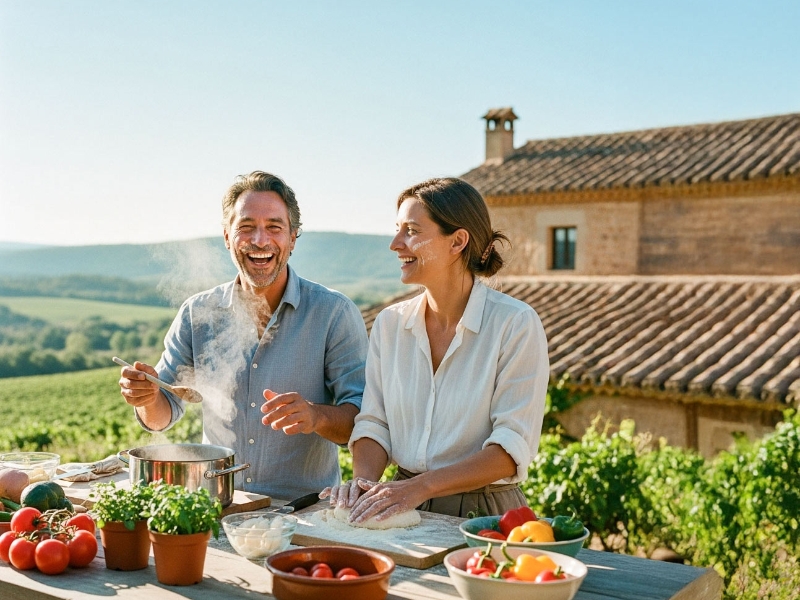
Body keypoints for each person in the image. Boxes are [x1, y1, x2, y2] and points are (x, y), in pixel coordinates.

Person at [118, 171, 368, 499]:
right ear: (227, 237)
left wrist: (315, 415)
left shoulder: (334, 313)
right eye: (246, 227)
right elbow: (163, 412)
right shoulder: (198, 313)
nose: (260, 240)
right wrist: (148, 398)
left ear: (293, 238)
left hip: (305, 512)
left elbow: (363, 419)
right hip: (218, 503)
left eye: (274, 227)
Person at [321, 177, 548, 522]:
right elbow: (374, 423)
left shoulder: (515, 324)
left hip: (483, 512)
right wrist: (363, 484)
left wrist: (421, 487)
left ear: (458, 241)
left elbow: (510, 448)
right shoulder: (390, 324)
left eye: (411, 230)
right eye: (398, 229)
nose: (396, 244)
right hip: (398, 502)